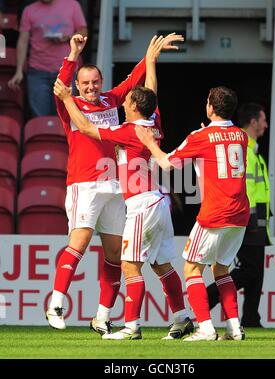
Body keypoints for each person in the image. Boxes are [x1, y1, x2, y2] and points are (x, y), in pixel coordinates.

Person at [53, 34, 194, 340]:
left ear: (132, 107)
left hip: (140, 204)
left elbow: (89, 128)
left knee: (130, 266)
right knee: (162, 264)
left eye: (129, 99)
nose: (124, 99)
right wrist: (151, 61)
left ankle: (131, 327)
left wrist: (66, 98)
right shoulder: (152, 121)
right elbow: (150, 92)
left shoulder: (127, 131)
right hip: (159, 202)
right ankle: (183, 317)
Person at [135, 86, 250, 341]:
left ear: (210, 107)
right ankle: (233, 327)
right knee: (221, 270)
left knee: (192, 269)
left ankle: (206, 328)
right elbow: (220, 147)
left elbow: (167, 163)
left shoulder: (200, 136)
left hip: (215, 212)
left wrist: (149, 143)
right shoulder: (241, 136)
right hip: (240, 214)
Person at [206, 103, 271, 327]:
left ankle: (252, 317)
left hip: (256, 220)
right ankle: (207, 298)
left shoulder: (252, 150)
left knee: (256, 272)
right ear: (253, 122)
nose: (266, 125)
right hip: (247, 219)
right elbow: (242, 186)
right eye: (263, 120)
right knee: (250, 270)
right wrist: (251, 218)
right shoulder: (243, 148)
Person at [7, 0, 87, 116]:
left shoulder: (72, 5)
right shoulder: (29, 10)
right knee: (40, 119)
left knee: (67, 118)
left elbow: (83, 31)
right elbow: (23, 41)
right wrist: (19, 71)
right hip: (37, 72)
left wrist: (68, 37)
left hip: (66, 72)